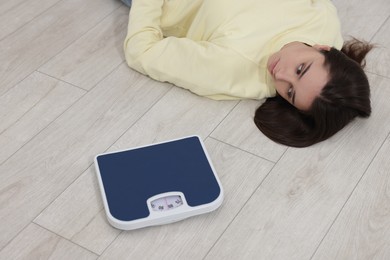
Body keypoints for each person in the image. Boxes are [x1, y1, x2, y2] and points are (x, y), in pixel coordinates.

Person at [123, 0, 373, 147]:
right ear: (323, 48)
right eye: (300, 68)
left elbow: (141, 51)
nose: (281, 74)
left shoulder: (234, 68)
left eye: (289, 91)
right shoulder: (324, 22)